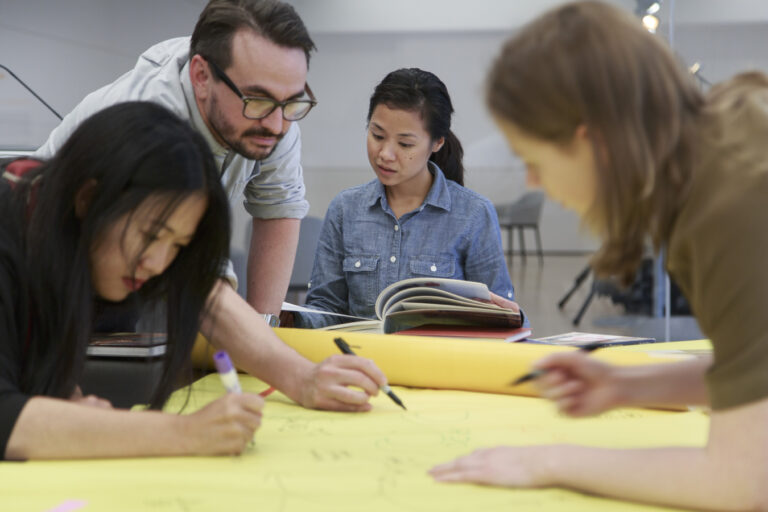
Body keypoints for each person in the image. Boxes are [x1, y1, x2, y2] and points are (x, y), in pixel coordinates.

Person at [430, 2, 768, 510]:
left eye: (535, 160)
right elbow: (752, 370)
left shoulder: (727, 203)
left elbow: (743, 481)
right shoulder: (722, 141)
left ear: (593, 141)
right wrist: (624, 385)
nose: (533, 182)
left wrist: (548, 462)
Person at [35, 0, 390, 412]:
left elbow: (277, 207)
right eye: (257, 99)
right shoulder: (154, 116)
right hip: (43, 273)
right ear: (202, 75)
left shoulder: (271, 113)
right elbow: (199, 282)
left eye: (291, 102)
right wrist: (297, 375)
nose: (276, 125)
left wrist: (261, 338)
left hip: (113, 282)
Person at [1, 101, 264, 459]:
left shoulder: (58, 230)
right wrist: (186, 432)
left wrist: (67, 400)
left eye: (178, 245)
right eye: (151, 234)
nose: (158, 264)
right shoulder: (11, 229)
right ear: (89, 198)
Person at [287, 68, 521, 329]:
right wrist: (289, 319)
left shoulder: (474, 214)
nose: (385, 154)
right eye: (377, 135)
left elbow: (502, 317)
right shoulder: (345, 209)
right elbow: (326, 308)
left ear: (437, 143)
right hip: (360, 362)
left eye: (405, 144)